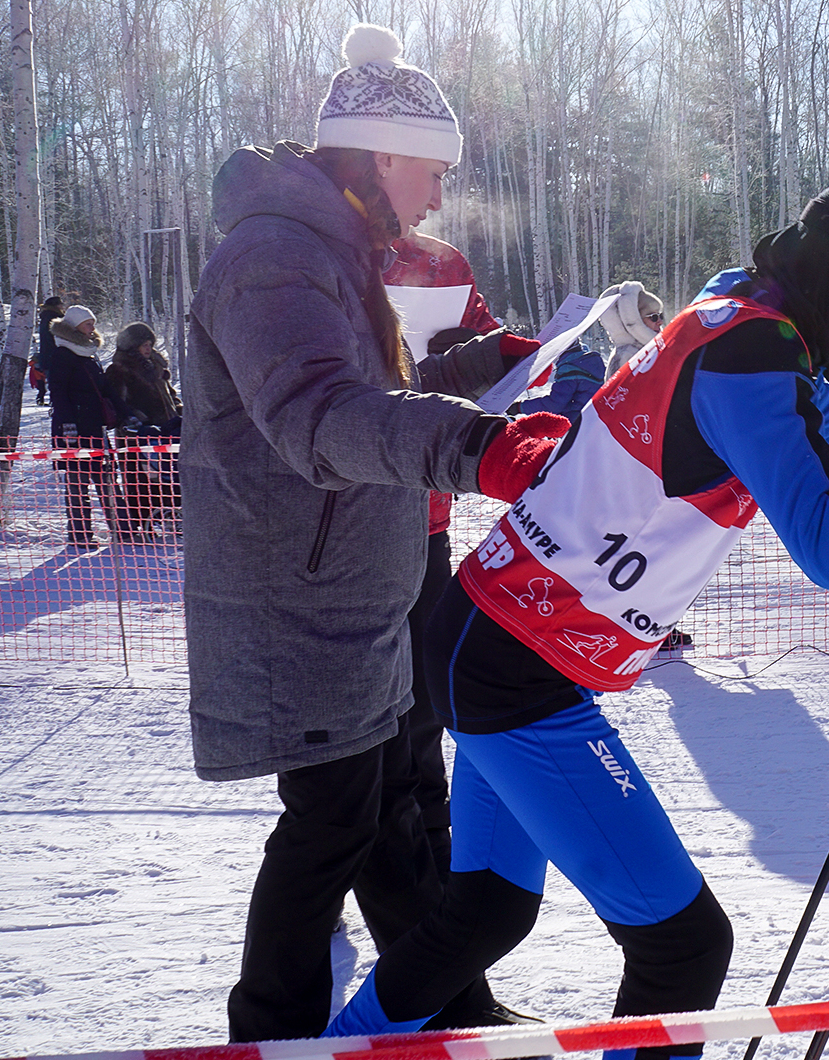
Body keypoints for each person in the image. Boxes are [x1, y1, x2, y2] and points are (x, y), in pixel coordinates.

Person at [320, 134, 829, 1060]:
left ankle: (329, 1050)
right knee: (684, 948)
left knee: (489, 909)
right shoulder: (754, 352)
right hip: (516, 671)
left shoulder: (749, 317)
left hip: (497, 638)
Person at [182, 22, 544, 1043]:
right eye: (432, 172)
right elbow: (315, 418)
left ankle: (433, 1002)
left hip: (351, 586)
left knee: (387, 810)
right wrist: (476, 447)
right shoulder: (270, 258)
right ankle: (275, 1028)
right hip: (293, 600)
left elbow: (363, 397)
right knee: (334, 823)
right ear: (381, 155)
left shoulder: (325, 250)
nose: (438, 196)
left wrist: (474, 371)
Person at [382, 228, 505, 877]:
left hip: (427, 519)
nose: (437, 198)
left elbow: (494, 348)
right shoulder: (319, 250)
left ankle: (431, 850)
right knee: (356, 717)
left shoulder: (443, 261)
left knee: (425, 701)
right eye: (430, 175)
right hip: (347, 524)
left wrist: (497, 356)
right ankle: (341, 867)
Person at [48, 305, 137, 547]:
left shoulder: (87, 353)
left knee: (107, 479)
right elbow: (58, 393)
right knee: (78, 484)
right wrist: (68, 427)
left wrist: (125, 414)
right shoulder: (62, 355)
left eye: (93, 322)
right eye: (88, 323)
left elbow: (105, 390)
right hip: (74, 431)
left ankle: (124, 531)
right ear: (75, 327)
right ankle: (79, 535)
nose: (92, 327)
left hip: (95, 429)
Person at [521, 281, 664, 421]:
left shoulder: (639, 352)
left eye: (660, 315)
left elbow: (555, 404)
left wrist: (520, 408)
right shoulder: (628, 355)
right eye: (654, 317)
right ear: (633, 319)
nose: (660, 322)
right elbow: (625, 410)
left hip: (578, 426)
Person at [105, 322, 182, 537]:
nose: (147, 348)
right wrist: (137, 421)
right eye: (142, 345)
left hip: (167, 433)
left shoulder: (156, 365)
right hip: (138, 437)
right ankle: (142, 521)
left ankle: (171, 517)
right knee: (141, 481)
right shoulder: (119, 370)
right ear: (132, 346)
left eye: (149, 344)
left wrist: (181, 412)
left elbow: (170, 395)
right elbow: (117, 403)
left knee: (169, 478)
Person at [31, 295, 65, 405]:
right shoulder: (54, 319)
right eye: (61, 304)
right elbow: (54, 340)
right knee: (59, 386)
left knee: (54, 385)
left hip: (48, 358)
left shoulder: (46, 317)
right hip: (55, 358)